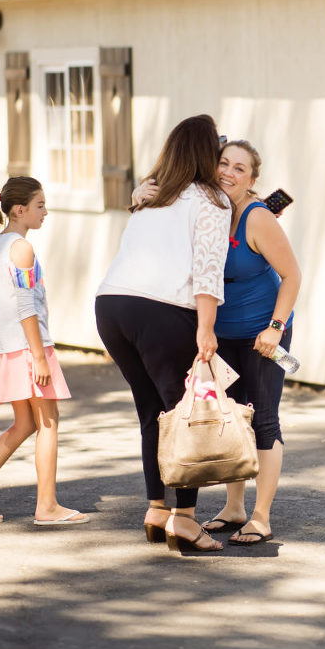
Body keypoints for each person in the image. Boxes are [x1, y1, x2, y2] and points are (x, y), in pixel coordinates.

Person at [146, 139, 301, 546]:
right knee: (233, 416)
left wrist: (276, 327)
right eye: (223, 164)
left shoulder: (258, 217)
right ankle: (233, 508)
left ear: (252, 180)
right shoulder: (209, 208)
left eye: (240, 168)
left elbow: (292, 276)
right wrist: (139, 193)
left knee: (264, 418)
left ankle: (261, 516)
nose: (228, 173)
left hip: (262, 332)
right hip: (222, 334)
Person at [96, 114, 231, 553]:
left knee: (152, 411)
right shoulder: (211, 199)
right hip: (162, 308)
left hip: (112, 304)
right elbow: (208, 269)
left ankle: (157, 509)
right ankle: (186, 520)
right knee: (184, 414)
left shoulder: (151, 197)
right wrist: (206, 330)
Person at [0, 176, 88, 527]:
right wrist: (39, 356)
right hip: (29, 348)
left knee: (25, 423)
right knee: (48, 422)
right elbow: (26, 306)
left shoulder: (0, 245)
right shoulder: (22, 248)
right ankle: (47, 507)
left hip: (6, 347)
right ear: (19, 210)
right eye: (40, 205)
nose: (46, 212)